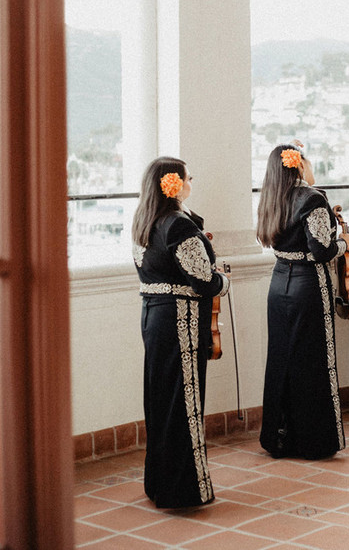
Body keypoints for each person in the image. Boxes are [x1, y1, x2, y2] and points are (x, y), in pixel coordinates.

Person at [131, 156, 230, 508]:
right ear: (174, 184)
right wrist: (224, 282)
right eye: (189, 177)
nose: (192, 182)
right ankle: (183, 488)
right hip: (180, 320)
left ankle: (160, 482)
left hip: (154, 317)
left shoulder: (145, 220)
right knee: (184, 401)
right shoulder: (178, 225)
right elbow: (203, 281)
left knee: (162, 401)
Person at [257, 143, 349, 459]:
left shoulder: (271, 197)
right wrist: (345, 243)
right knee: (313, 360)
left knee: (282, 359)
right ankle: (313, 440)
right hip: (308, 287)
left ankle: (279, 438)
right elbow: (321, 250)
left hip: (278, 283)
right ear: (298, 165)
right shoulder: (312, 198)